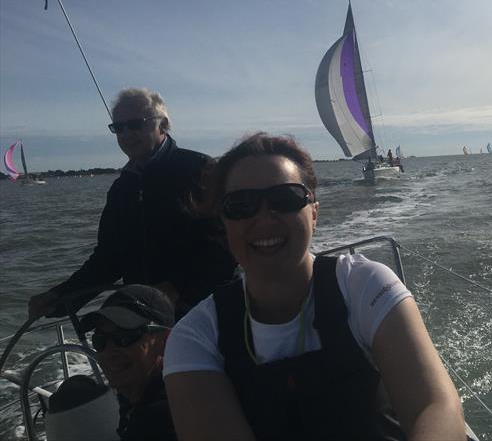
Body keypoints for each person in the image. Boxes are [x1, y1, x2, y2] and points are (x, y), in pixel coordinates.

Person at [163, 133, 465, 441]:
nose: (265, 219)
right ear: (223, 223)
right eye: (241, 205)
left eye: (286, 198)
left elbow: (435, 406)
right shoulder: (195, 338)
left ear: (315, 213)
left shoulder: (366, 286)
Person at [28, 88, 236, 320]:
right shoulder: (121, 189)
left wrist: (177, 287)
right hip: (148, 317)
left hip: (209, 311)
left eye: (136, 124)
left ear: (163, 125)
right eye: (119, 127)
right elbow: (109, 257)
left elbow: (228, 244)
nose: (126, 134)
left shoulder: (200, 169)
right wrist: (61, 297)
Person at [75, 284, 178, 440]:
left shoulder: (161, 419)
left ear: (165, 341)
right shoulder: (135, 399)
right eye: (100, 340)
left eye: (125, 336)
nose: (109, 351)